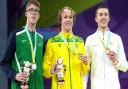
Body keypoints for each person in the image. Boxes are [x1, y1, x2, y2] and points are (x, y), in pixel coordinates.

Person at [43, 6, 90, 89]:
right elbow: (45, 66)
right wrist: (51, 70)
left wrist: (86, 62)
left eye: (70, 17)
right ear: (60, 20)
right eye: (65, 17)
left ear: (73, 20)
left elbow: (85, 70)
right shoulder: (52, 41)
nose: (68, 20)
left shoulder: (79, 41)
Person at [1, 0, 44, 89]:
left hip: (39, 86)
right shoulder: (16, 35)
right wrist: (14, 75)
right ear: (26, 14)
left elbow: (42, 63)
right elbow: (4, 63)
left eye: (36, 10)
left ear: (39, 15)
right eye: (30, 10)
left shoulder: (40, 38)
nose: (33, 13)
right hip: (20, 86)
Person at [85, 4, 128, 89]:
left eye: (106, 14)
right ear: (96, 19)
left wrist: (116, 60)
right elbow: (85, 68)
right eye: (100, 15)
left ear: (109, 18)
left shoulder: (117, 38)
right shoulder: (89, 40)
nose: (103, 17)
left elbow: (125, 67)